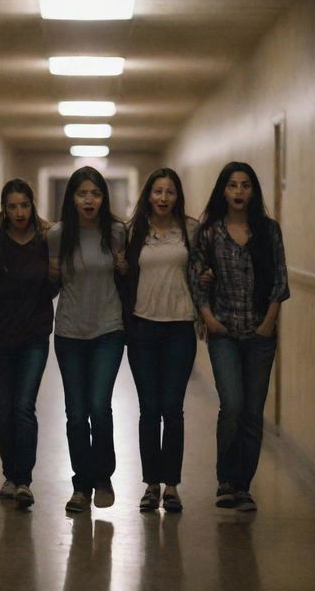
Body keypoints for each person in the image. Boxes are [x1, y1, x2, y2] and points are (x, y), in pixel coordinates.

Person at [189, 161, 289, 512]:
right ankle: (225, 480)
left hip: (261, 334)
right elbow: (196, 279)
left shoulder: (269, 231)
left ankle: (243, 485)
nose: (239, 191)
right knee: (231, 405)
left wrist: (268, 323)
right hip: (224, 333)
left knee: (252, 411)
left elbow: (280, 281)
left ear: (253, 191)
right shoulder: (210, 233)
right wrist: (209, 319)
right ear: (223, 191)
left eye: (245, 185)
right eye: (232, 185)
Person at [47, 166, 127, 513]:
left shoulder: (117, 233)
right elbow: (50, 284)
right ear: (72, 199)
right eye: (82, 193)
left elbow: (129, 277)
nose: (89, 200)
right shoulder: (58, 235)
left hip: (108, 329)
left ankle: (102, 476)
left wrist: (126, 269)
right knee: (76, 413)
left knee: (99, 406)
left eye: (95, 193)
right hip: (69, 331)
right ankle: (81, 485)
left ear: (103, 197)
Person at [124, 168, 198, 513]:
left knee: (173, 408)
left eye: (170, 192)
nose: (163, 198)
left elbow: (202, 269)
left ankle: (172, 486)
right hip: (142, 328)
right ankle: (151, 485)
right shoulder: (132, 232)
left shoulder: (191, 230)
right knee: (149, 409)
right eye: (157, 191)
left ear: (177, 196)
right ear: (148, 195)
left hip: (180, 328)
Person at [0, 179, 55, 509]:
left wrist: (17, 281)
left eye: (24, 204)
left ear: (32, 204)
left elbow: (52, 286)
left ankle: (23, 480)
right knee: (4, 409)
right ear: (4, 208)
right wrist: (27, 282)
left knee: (23, 407)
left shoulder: (45, 239)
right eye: (12, 206)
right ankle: (9, 475)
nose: (19, 212)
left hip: (34, 334)